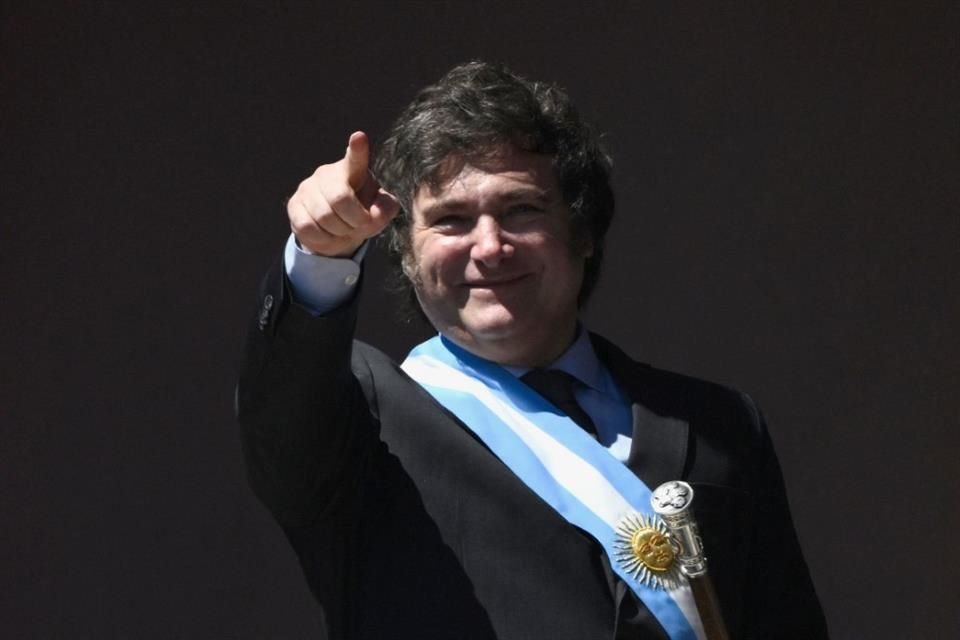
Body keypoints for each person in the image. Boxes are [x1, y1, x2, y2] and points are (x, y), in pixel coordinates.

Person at [237, 61, 828, 639]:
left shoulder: (720, 424)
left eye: (521, 210)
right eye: (451, 220)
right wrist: (319, 256)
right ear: (407, 254)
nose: (490, 247)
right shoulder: (361, 417)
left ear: (583, 231)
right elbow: (282, 416)